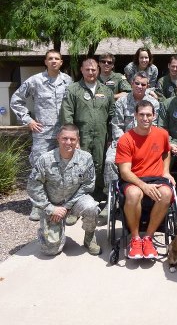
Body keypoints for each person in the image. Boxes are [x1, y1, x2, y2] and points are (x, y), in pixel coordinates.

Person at [10, 49, 72, 221]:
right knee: (38, 168)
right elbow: (16, 100)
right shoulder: (35, 81)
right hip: (42, 134)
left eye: (57, 59)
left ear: (61, 62)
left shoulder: (67, 81)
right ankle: (37, 205)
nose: (53, 61)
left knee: (63, 169)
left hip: (63, 134)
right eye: (50, 58)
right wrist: (28, 120)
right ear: (45, 62)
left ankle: (60, 203)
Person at [27, 124, 101, 256]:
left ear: (78, 139)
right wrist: (50, 208)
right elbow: (33, 187)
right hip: (52, 205)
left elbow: (88, 186)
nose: (68, 142)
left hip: (75, 202)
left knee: (91, 207)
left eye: (72, 139)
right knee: (51, 251)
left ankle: (89, 237)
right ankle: (48, 232)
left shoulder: (86, 158)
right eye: (64, 138)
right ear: (58, 138)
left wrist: (66, 207)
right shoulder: (45, 159)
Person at [116, 100, 175, 259]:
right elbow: (124, 172)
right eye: (141, 114)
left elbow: (166, 152)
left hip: (156, 177)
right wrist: (144, 186)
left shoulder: (162, 134)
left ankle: (148, 237)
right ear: (135, 115)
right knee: (134, 194)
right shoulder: (126, 139)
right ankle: (135, 238)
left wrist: (166, 171)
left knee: (166, 193)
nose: (145, 118)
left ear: (154, 116)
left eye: (149, 114)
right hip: (134, 178)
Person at [61, 58, 115, 208]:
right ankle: (76, 203)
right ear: (82, 70)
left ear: (98, 70)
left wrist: (111, 137)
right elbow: (67, 115)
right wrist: (73, 139)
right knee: (79, 166)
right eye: (87, 69)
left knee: (99, 165)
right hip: (81, 136)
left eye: (93, 70)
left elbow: (112, 116)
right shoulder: (73, 90)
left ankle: (96, 197)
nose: (91, 72)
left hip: (101, 136)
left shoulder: (106, 91)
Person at [104, 71, 160, 184]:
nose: (140, 86)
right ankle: (112, 193)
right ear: (132, 83)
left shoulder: (154, 103)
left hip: (145, 143)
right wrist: (125, 143)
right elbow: (117, 125)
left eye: (143, 85)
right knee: (110, 160)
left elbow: (153, 126)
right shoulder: (121, 101)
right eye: (137, 83)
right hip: (123, 142)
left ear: (147, 86)